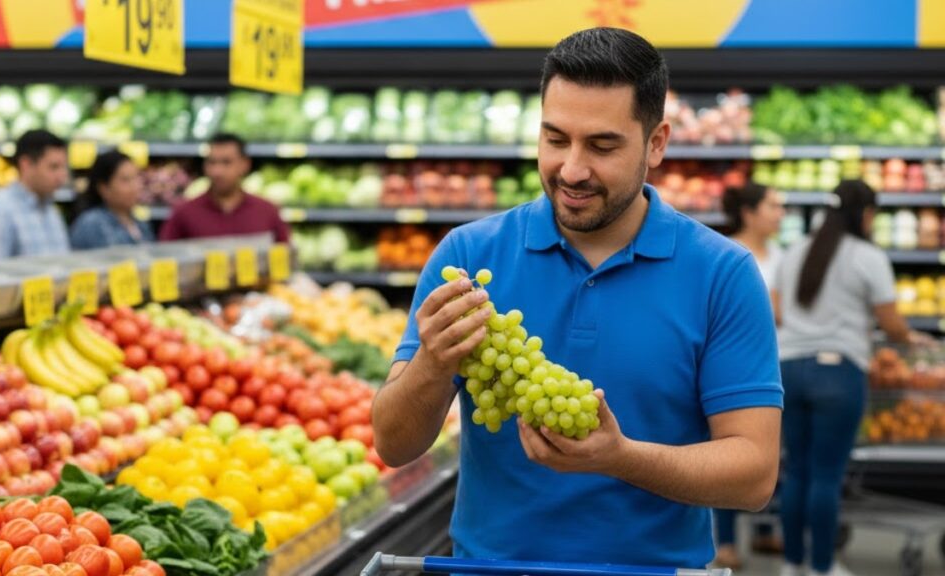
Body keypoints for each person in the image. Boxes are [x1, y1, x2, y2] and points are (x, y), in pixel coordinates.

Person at [372, 27, 783, 569]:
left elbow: (754, 474)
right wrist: (430, 363)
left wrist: (621, 458)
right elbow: (393, 445)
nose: (571, 170)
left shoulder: (722, 273)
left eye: (602, 146)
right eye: (555, 139)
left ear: (656, 143)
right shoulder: (468, 256)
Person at [772, 180, 920, 576]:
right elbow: (892, 324)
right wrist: (911, 339)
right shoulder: (867, 257)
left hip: (789, 370)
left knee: (796, 471)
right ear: (866, 214)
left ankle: (791, 564)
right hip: (838, 374)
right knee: (826, 475)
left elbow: (779, 310)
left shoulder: (795, 250)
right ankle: (822, 567)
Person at [713, 182, 786, 569]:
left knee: (770, 455)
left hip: (779, 367)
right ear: (749, 212)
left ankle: (764, 530)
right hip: (733, 368)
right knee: (728, 448)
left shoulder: (783, 256)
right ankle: (726, 542)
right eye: (773, 206)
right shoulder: (726, 256)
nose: (780, 214)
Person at [159, 133, 289, 242]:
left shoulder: (267, 211)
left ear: (245, 164)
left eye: (226, 162)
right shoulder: (184, 213)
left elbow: (285, 256)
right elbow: (165, 256)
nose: (217, 171)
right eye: (212, 162)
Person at [0, 129, 70, 260]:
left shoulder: (51, 211)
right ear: (26, 164)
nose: (62, 176)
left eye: (64, 167)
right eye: (54, 167)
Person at [70, 150, 155, 250]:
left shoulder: (141, 224)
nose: (136, 186)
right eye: (126, 180)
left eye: (137, 177)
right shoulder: (92, 224)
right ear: (103, 188)